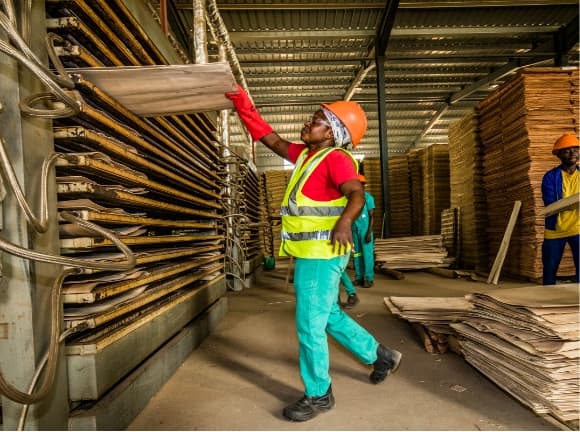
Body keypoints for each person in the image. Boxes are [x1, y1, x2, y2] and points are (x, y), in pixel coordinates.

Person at [226, 85, 402, 422]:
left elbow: (356, 193)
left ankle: (319, 394)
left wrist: (346, 223)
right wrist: (242, 104)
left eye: (318, 120)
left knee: (309, 325)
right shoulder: (308, 155)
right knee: (327, 316)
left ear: (333, 133)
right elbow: (269, 138)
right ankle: (380, 355)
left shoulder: (336, 158)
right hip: (312, 253)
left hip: (323, 254)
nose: (310, 122)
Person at [541, 133, 579, 285]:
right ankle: (546, 303)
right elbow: (550, 203)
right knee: (549, 269)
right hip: (555, 230)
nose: (573, 153)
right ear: (558, 154)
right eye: (567, 150)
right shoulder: (550, 177)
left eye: (576, 148)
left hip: (578, 229)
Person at [352, 174, 375, 287]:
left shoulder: (368, 198)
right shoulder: (351, 198)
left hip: (365, 230)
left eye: (361, 184)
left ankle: (368, 278)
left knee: (367, 254)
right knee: (357, 254)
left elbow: (372, 216)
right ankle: (359, 277)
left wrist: (369, 232)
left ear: (363, 185)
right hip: (355, 229)